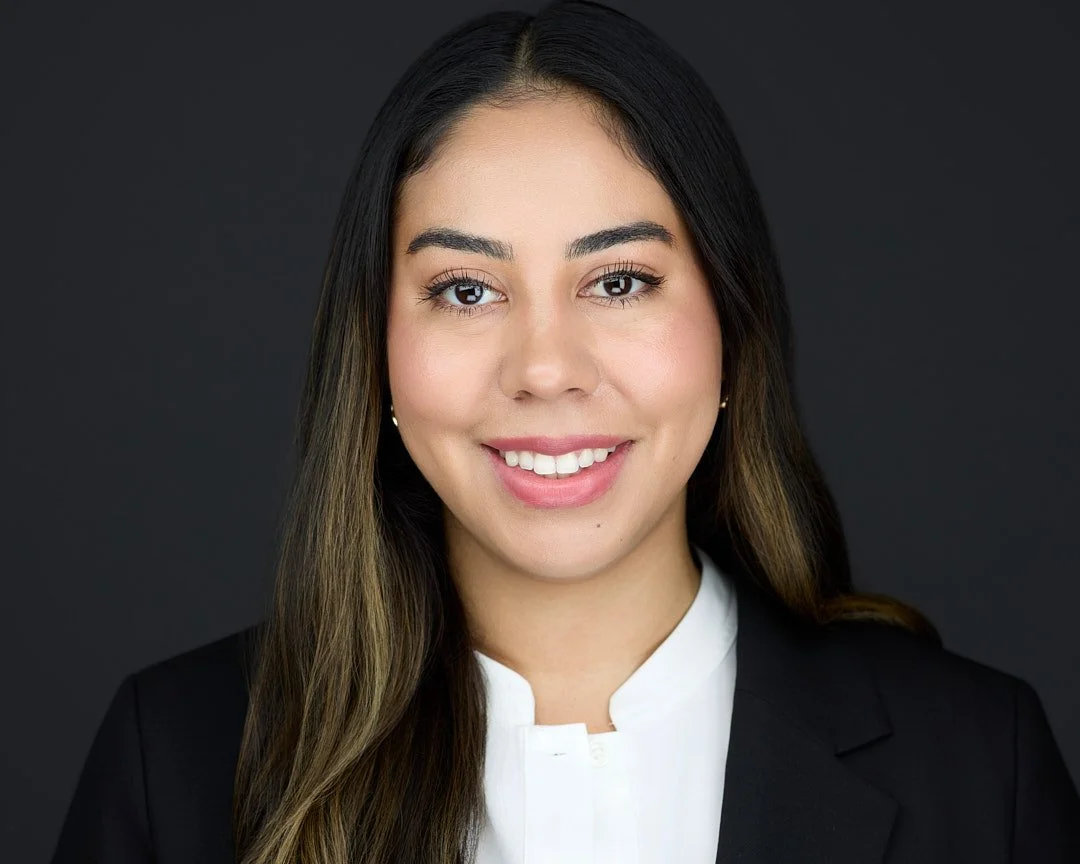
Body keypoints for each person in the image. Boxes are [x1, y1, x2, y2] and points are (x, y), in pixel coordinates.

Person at [50, 1, 1080, 862]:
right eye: (464, 290)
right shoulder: (177, 766)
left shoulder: (982, 770)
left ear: (731, 322)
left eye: (619, 280)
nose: (545, 368)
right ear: (375, 347)